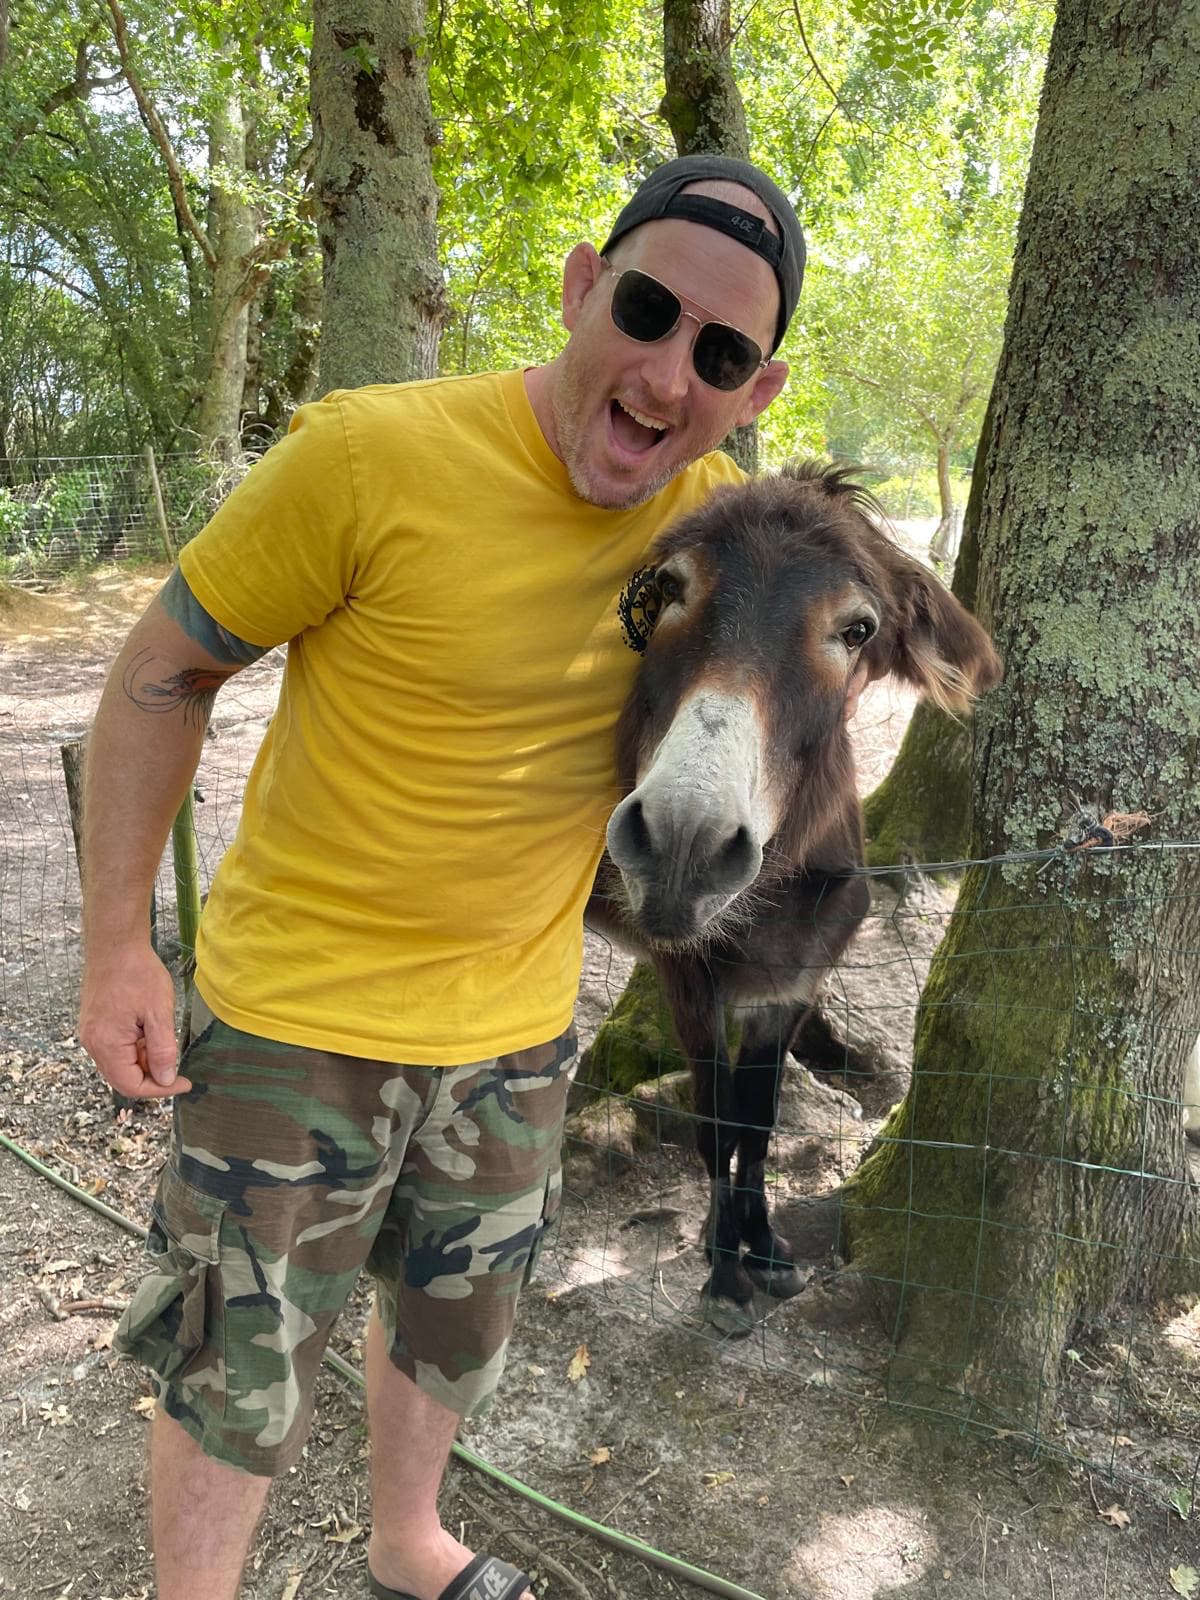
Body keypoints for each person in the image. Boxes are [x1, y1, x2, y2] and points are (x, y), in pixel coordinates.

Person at [78, 154, 829, 1600]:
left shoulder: (728, 538)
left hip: (516, 1035)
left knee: (453, 1328)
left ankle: (406, 1543)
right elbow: (162, 669)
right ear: (581, 287)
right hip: (296, 1024)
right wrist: (119, 943)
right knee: (236, 1365)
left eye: (720, 355)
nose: (667, 374)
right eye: (647, 310)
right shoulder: (370, 458)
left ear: (756, 392)